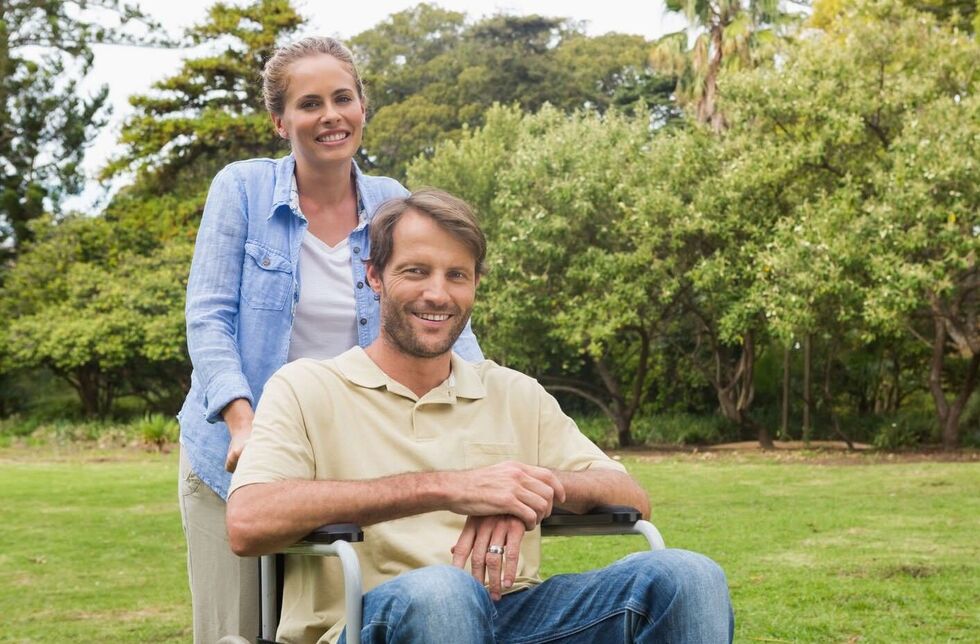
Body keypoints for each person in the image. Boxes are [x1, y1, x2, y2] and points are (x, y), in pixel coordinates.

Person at [226, 189, 734, 644]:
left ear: (475, 285)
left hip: (512, 617)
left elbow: (632, 499)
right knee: (444, 593)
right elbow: (248, 522)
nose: (438, 294)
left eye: (457, 276)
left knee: (690, 576)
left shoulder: (515, 393)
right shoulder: (305, 388)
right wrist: (449, 488)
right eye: (416, 271)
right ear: (374, 276)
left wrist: (526, 486)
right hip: (365, 623)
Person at [177, 38, 483, 643]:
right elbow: (209, 319)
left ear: (363, 107)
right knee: (237, 632)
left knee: (344, 621)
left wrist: (490, 415)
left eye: (343, 98)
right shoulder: (241, 189)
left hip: (353, 457)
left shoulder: (390, 200)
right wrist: (244, 424)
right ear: (280, 120)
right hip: (237, 454)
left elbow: (445, 326)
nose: (329, 116)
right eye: (309, 103)